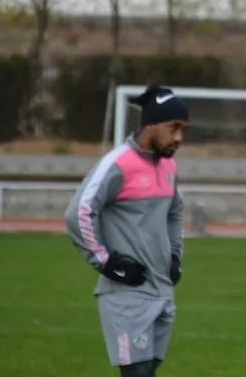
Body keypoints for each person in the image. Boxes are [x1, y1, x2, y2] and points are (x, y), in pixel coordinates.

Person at [64, 85, 189, 377]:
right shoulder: (118, 163)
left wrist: (174, 256)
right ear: (150, 125)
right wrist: (107, 262)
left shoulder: (169, 166)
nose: (179, 137)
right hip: (127, 296)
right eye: (173, 128)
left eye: (183, 130)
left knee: (147, 371)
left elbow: (174, 213)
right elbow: (79, 212)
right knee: (137, 373)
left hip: (162, 292)